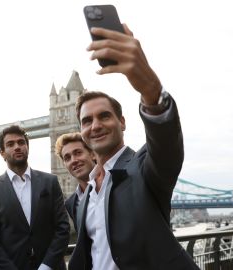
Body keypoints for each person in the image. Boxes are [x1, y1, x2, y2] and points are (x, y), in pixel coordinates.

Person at [68, 25, 199, 269]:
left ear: (122, 122)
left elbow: (166, 144)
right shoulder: (85, 193)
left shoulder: (144, 169)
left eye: (104, 116)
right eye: (87, 121)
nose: (95, 125)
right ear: (82, 131)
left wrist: (151, 90)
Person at [0, 125, 69, 270]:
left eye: (21, 142)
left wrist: (47, 266)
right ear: (2, 153)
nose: (17, 147)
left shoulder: (50, 182)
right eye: (10, 144)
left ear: (27, 147)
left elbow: (63, 228)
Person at [54, 132, 95, 233]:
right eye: (67, 158)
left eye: (78, 153)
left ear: (93, 154)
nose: (73, 160)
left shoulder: (114, 183)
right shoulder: (71, 204)